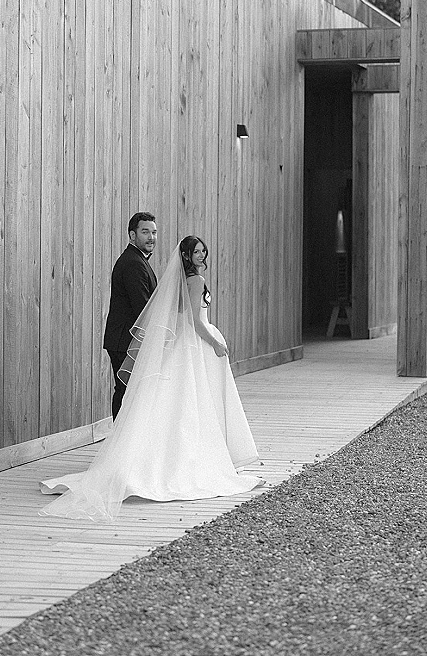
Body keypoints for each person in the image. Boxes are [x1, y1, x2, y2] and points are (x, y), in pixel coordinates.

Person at [39, 236, 263, 522]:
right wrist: (216, 344)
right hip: (196, 343)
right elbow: (195, 321)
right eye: (196, 251)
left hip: (186, 343)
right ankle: (191, 460)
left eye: (203, 250)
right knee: (193, 400)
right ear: (186, 255)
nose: (201, 254)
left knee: (180, 400)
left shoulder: (182, 280)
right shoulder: (195, 281)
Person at [103, 212, 158, 419]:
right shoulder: (134, 263)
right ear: (132, 235)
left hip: (125, 340)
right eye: (145, 232)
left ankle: (122, 442)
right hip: (125, 341)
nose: (151, 237)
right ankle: (120, 443)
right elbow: (143, 308)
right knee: (126, 393)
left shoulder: (137, 260)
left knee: (128, 393)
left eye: (154, 232)